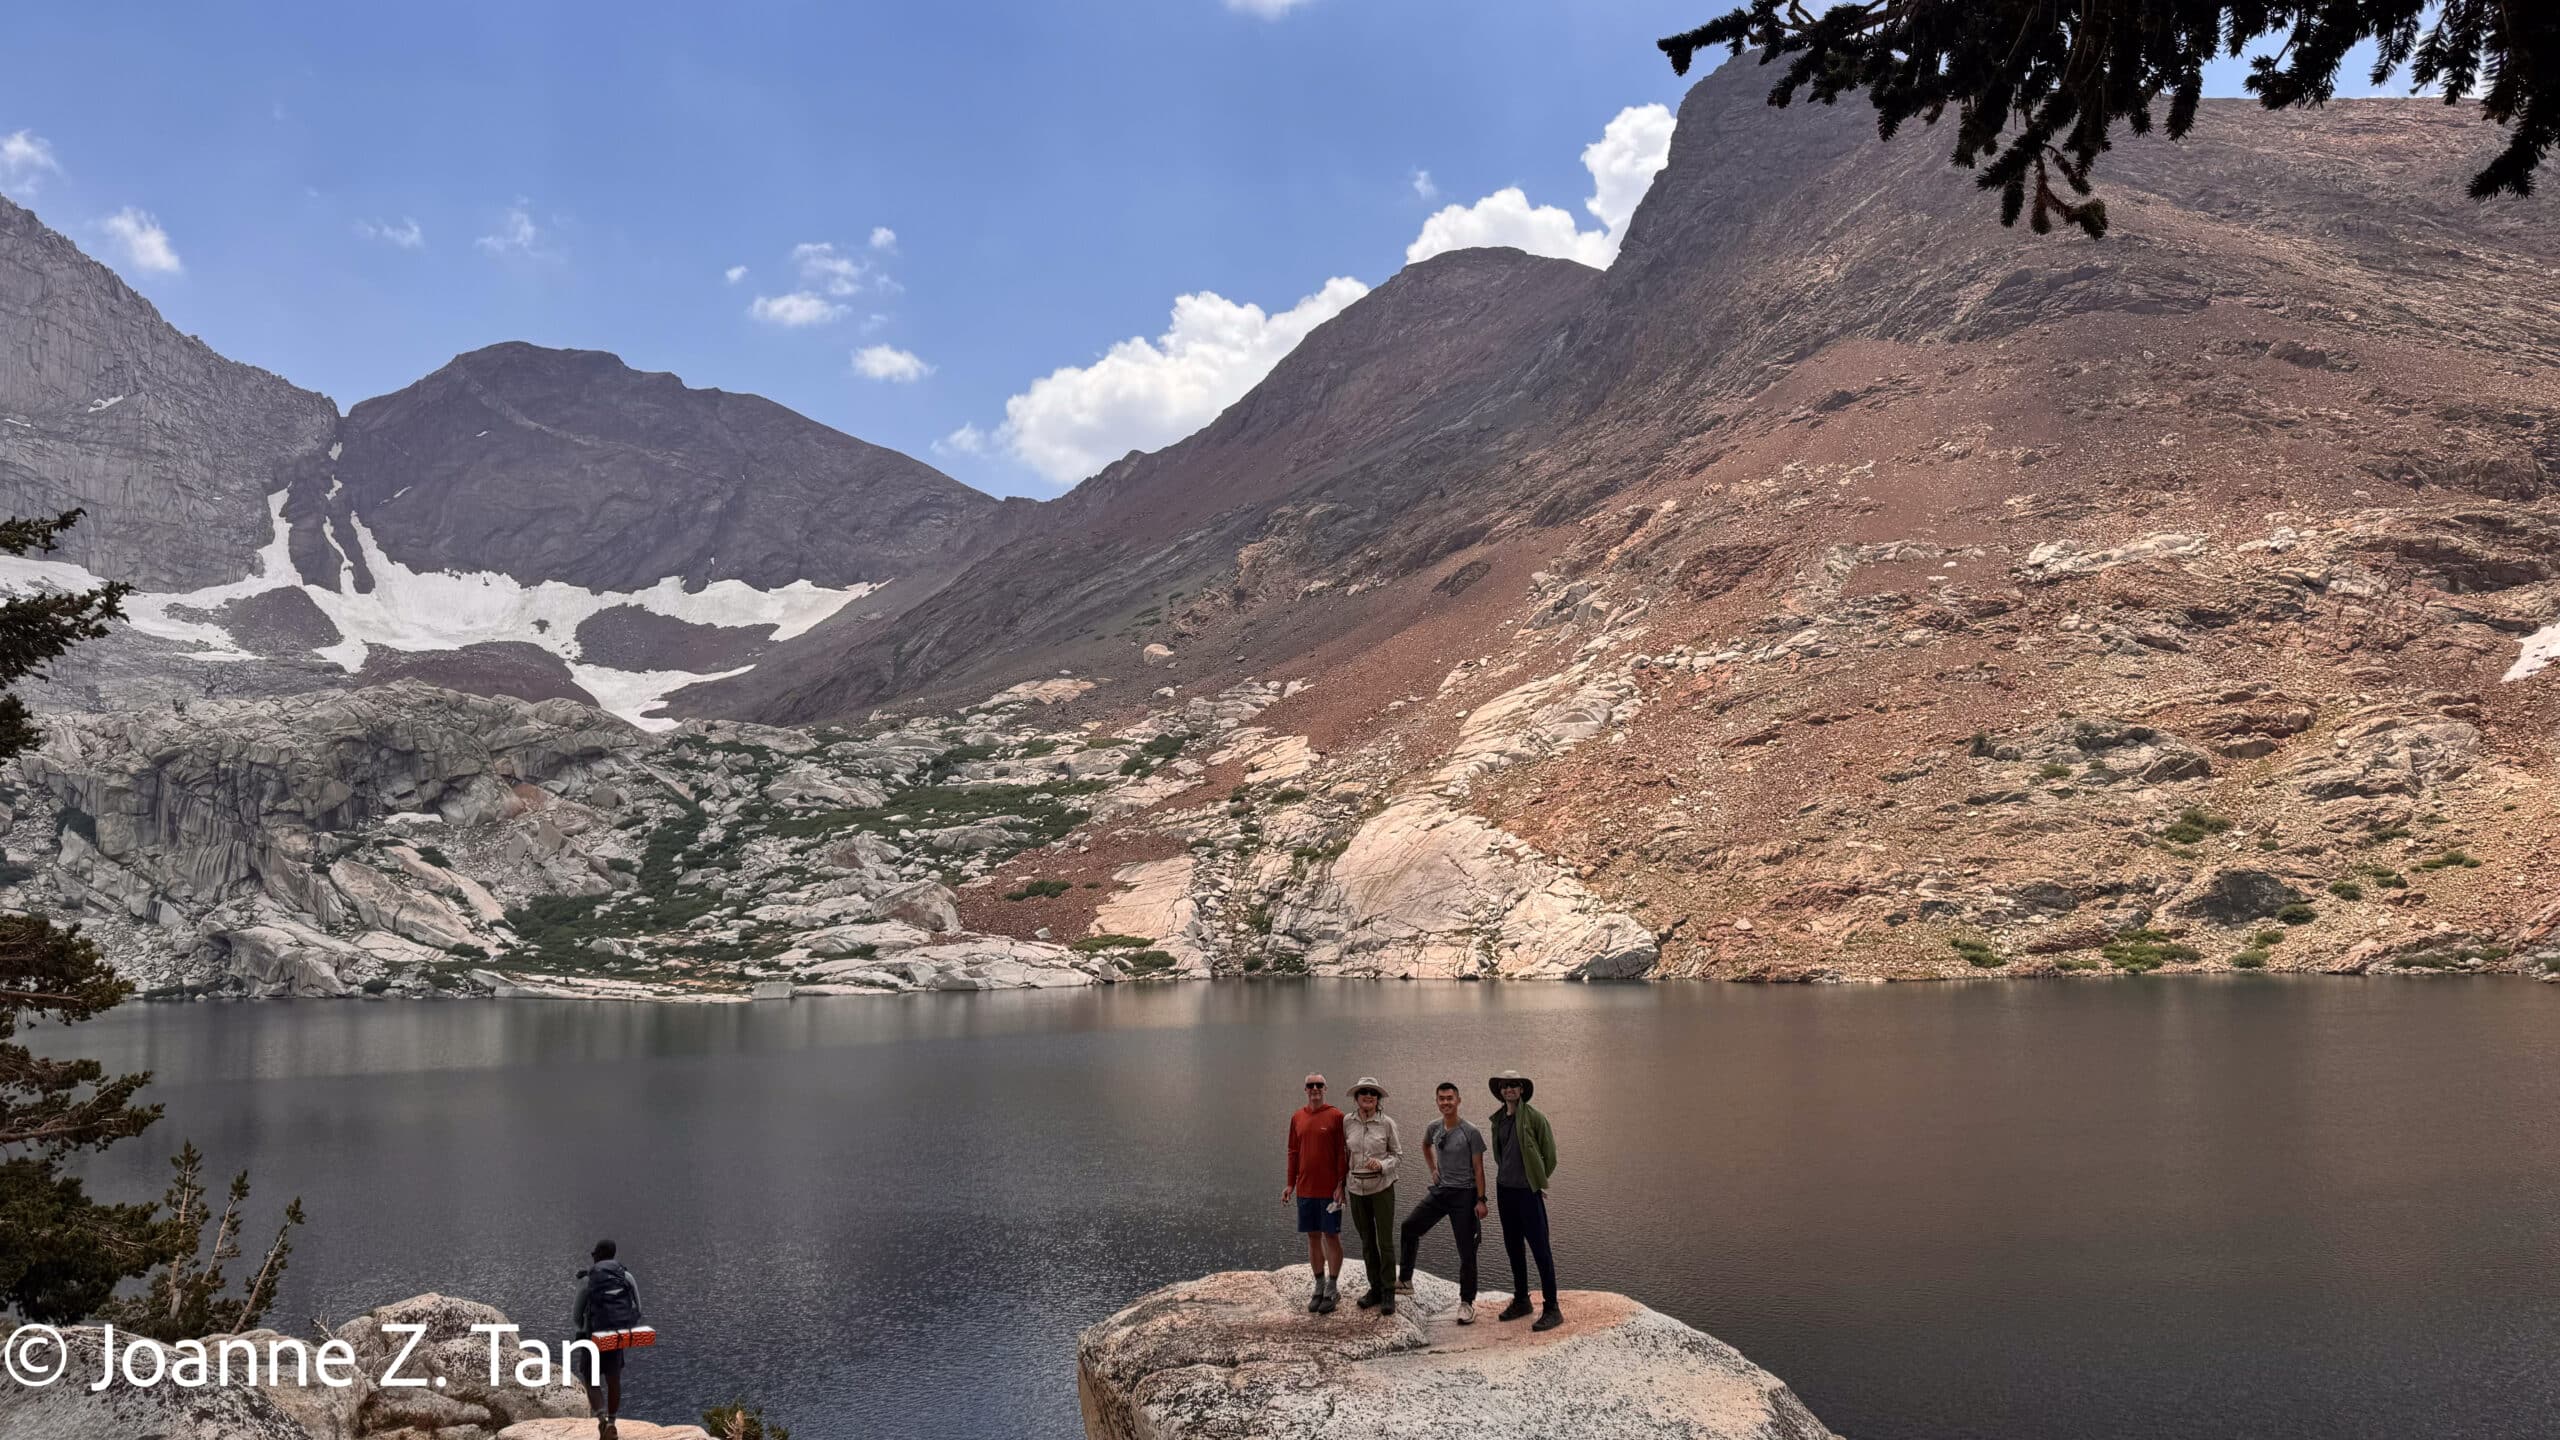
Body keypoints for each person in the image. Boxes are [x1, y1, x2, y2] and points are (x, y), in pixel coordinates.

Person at [1397, 1081, 1486, 1323]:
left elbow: (1478, 1168)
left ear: (1458, 1101)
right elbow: (1425, 1146)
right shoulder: (1434, 1128)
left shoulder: (1471, 1132)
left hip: (1465, 1196)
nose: (1446, 1102)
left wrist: (1481, 1200)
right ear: (1436, 1101)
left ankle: (1467, 1303)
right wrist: (1433, 1169)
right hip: (1441, 1191)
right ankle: (1405, 1280)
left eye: (1450, 1098)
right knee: (1409, 1227)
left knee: (1467, 1252)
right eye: (1441, 1098)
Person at [1487, 1069, 1563, 1331]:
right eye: (1504, 1086)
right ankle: (1522, 1300)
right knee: (1513, 1247)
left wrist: (1536, 1179)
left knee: (1540, 1249)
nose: (1508, 1090)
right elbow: (1500, 1155)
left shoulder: (1535, 1118)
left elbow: (1550, 1156)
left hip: (1527, 1194)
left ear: (1521, 1090)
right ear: (1501, 1091)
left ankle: (1552, 1307)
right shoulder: (1498, 1120)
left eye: (1513, 1086)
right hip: (1505, 1191)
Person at [1283, 1071, 1350, 1313]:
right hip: (1305, 1189)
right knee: (1312, 1237)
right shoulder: (1297, 1117)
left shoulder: (1336, 1116)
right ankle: (1319, 1285)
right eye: (1310, 1085)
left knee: (1331, 1236)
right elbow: (1293, 1152)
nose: (1314, 1089)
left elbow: (1342, 1153)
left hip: (1330, 1191)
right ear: (1305, 1090)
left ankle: (1333, 1287)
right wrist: (1290, 1184)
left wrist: (1341, 1184)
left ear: (1325, 1088)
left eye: (1319, 1085)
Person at [1341, 1077, 1402, 1316]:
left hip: (1382, 1188)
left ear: (1378, 1099)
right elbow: (1344, 1154)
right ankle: (1374, 1287)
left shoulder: (1387, 1124)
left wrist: (1383, 1164)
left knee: (1384, 1241)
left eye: (1373, 1093)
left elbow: (1398, 1156)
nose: (1368, 1096)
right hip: (1356, 1189)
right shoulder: (1347, 1122)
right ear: (1356, 1098)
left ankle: (1388, 1290)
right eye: (1364, 1092)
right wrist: (1340, 1185)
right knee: (1367, 1240)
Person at [572, 1239, 644, 1438]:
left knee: (591, 1378)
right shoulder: (626, 1276)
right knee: (614, 1380)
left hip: (593, 1337)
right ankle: (613, 1420)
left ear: (598, 1255)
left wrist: (582, 1331)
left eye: (594, 1253)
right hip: (616, 1337)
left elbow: (576, 1315)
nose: (592, 1256)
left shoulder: (588, 1280)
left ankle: (602, 1420)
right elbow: (638, 1308)